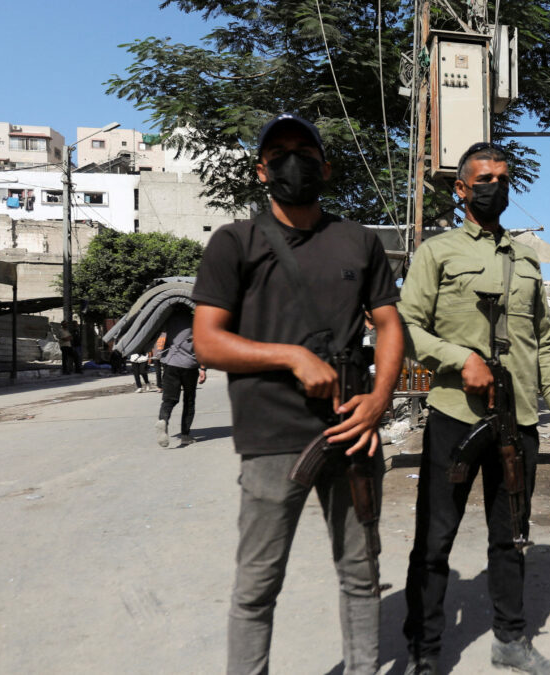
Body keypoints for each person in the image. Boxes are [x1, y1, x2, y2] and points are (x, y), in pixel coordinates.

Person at [191, 113, 403, 675]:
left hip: (352, 432)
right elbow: (207, 341)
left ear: (325, 168)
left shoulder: (358, 241)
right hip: (271, 437)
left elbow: (389, 324)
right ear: (262, 170)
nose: (293, 162)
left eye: (304, 153)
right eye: (279, 154)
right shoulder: (235, 241)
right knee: (257, 585)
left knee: (361, 574)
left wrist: (379, 400)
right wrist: (289, 356)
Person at [399, 141, 550, 675]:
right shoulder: (438, 253)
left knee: (512, 535)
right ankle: (425, 650)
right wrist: (460, 359)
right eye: (484, 180)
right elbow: (406, 327)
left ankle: (510, 640)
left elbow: (542, 340)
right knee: (436, 538)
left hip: (517, 421)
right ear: (461, 188)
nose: (495, 187)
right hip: (456, 415)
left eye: (502, 178)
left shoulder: (526, 257)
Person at [155, 307, 207, 447]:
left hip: (171, 363)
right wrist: (203, 368)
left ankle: (163, 420)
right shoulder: (197, 321)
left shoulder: (168, 320)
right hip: (190, 366)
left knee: (169, 399)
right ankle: (185, 435)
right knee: (189, 401)